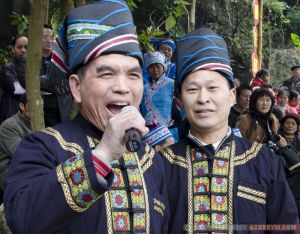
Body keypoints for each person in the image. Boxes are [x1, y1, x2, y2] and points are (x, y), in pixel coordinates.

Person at [4, 1, 169, 233]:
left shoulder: (151, 159)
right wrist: (103, 155)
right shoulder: (44, 146)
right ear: (76, 87)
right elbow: (22, 219)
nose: (122, 87)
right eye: (107, 74)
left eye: (133, 75)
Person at [159, 27, 298, 233]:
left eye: (213, 88)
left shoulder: (264, 161)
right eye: (193, 89)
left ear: (232, 95)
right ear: (180, 101)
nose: (203, 98)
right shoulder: (162, 165)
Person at [140, 51, 177, 150]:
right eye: (152, 66)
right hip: (148, 130)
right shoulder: (143, 88)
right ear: (147, 68)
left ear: (163, 67)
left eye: (158, 66)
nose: (155, 70)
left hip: (168, 129)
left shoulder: (172, 84)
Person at [0, 35, 27, 124]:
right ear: (13, 49)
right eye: (19, 47)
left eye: (26, 47)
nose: (23, 50)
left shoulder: (35, 69)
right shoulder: (7, 68)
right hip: (11, 118)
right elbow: (17, 90)